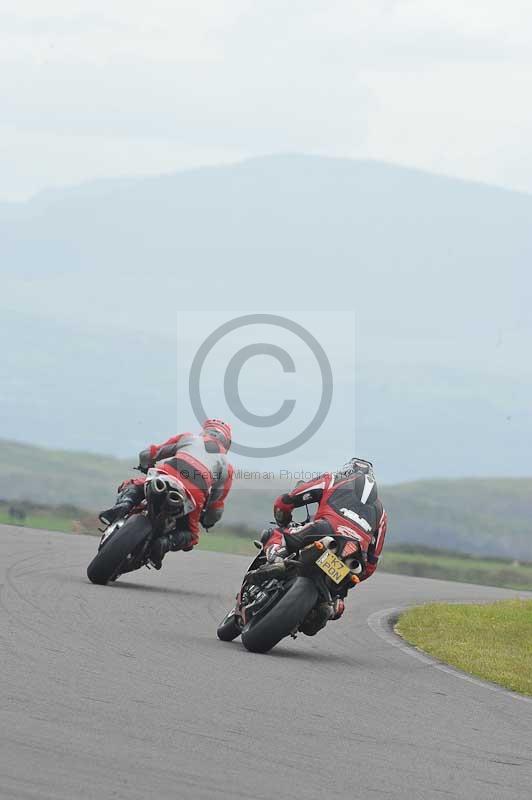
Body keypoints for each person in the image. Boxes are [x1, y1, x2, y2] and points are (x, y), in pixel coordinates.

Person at [261, 458, 387, 633]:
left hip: (325, 529)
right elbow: (372, 562)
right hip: (355, 553)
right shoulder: (381, 513)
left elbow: (286, 501)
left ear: (347, 471)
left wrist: (284, 520)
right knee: (341, 594)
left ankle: (276, 559)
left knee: (277, 534)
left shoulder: (333, 479)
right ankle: (332, 604)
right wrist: (351, 582)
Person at [99, 419, 233, 567]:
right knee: (191, 536)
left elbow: (150, 453)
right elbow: (217, 504)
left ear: (205, 431)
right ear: (226, 442)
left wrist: (145, 465)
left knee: (134, 485)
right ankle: (165, 543)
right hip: (194, 493)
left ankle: (123, 505)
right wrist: (207, 520)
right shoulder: (226, 466)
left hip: (167, 475)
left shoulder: (188, 438)